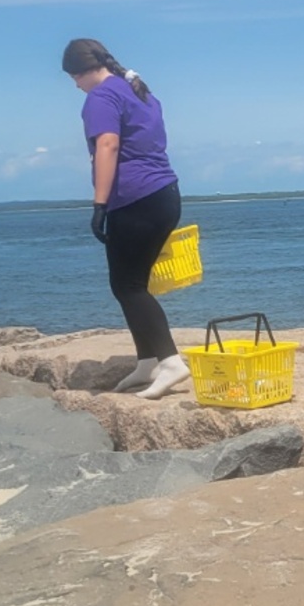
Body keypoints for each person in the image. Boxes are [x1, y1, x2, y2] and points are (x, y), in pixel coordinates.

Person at [62, 38, 188, 399]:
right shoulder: (139, 91)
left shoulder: (101, 96)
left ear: (86, 71)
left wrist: (99, 204)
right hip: (164, 195)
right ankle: (147, 361)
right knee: (132, 282)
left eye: (75, 77)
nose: (76, 85)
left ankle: (170, 362)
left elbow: (108, 146)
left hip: (135, 199)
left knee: (128, 286)